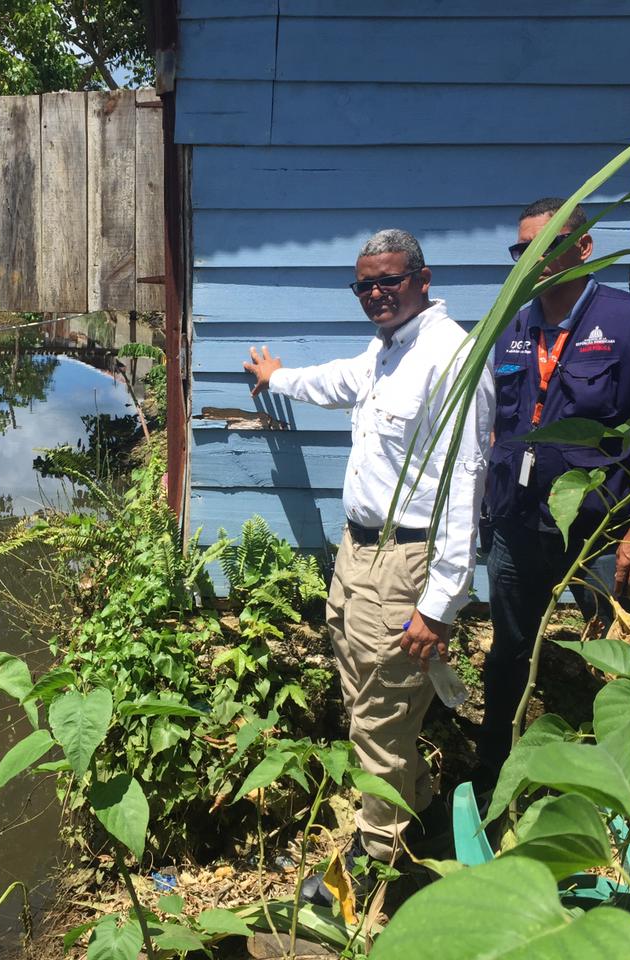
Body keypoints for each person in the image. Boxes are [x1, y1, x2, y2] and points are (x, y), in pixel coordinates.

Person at [243, 228, 494, 878]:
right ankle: (421, 815)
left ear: (423, 278)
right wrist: (277, 378)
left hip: (407, 561)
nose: (376, 294)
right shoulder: (388, 349)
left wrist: (439, 605)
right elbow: (338, 382)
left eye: (390, 280)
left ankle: (374, 869)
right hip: (359, 555)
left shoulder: (450, 358)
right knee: (364, 701)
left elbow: (466, 485)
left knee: (380, 720)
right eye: (365, 284)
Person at [477, 198, 630, 784]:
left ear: (584, 246)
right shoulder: (513, 325)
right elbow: (501, 426)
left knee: (621, 657)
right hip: (519, 522)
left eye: (546, 246)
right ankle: (497, 771)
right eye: (522, 250)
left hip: (602, 530)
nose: (532, 260)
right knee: (509, 651)